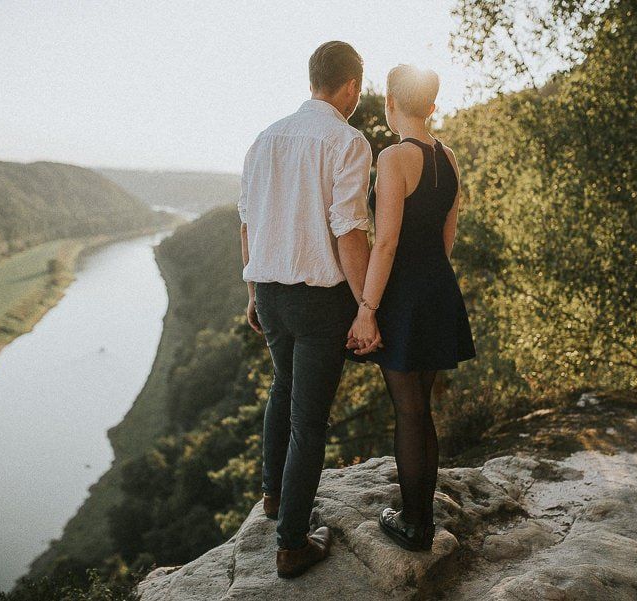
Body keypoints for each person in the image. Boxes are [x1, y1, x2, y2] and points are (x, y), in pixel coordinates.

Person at [238, 41, 375, 578]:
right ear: (350, 87)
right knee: (309, 421)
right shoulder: (347, 140)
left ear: (312, 79)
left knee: (283, 389)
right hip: (320, 300)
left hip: (269, 291)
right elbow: (349, 230)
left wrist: (252, 292)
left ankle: (274, 497)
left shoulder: (263, 139)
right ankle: (293, 542)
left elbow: (247, 222)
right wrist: (366, 306)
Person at [346, 64, 476, 552]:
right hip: (437, 289)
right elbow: (448, 238)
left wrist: (367, 308)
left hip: (402, 295)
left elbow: (385, 244)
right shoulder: (449, 158)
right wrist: (432, 285)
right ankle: (420, 515)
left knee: (409, 410)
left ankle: (415, 524)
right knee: (422, 410)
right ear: (433, 105)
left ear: (391, 104)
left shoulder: (395, 157)